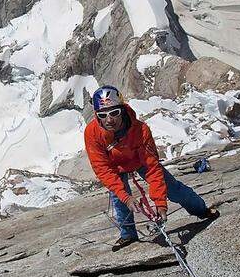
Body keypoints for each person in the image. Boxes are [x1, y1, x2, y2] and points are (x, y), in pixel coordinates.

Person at [84, 85, 219, 251]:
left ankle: (202, 210)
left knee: (173, 189)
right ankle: (128, 235)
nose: (109, 119)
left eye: (114, 113)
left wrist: (160, 204)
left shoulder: (140, 130)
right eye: (102, 115)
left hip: (139, 161)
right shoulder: (92, 133)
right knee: (119, 198)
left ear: (122, 109)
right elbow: (102, 168)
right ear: (96, 115)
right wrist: (127, 197)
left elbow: (152, 167)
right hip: (115, 166)